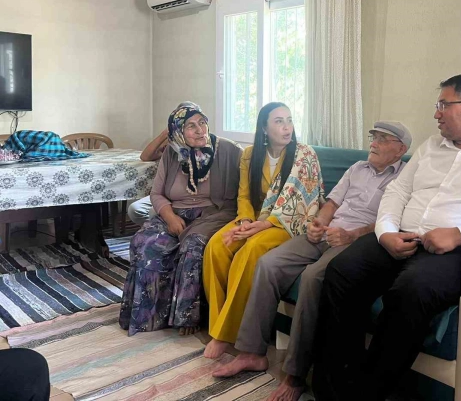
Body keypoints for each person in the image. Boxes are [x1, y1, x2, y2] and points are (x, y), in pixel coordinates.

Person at [312, 74, 461, 401]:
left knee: (411, 290)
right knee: (341, 272)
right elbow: (397, 191)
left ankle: (368, 393)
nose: (436, 114)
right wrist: (386, 232)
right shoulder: (431, 146)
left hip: (455, 252)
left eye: (442, 105)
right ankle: (332, 389)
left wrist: (459, 235)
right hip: (399, 237)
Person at [213, 121, 413, 401]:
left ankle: (294, 374)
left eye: (382, 139)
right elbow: (332, 203)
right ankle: (251, 353)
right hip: (327, 232)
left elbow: (391, 222)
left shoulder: (405, 178)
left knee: (313, 277)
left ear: (400, 149)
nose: (373, 144)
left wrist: (351, 235)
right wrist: (318, 223)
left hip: (355, 242)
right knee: (269, 264)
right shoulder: (358, 168)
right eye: (373, 137)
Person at [203, 102, 325, 359]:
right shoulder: (249, 155)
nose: (287, 127)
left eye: (289, 120)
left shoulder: (304, 155)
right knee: (217, 245)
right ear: (264, 128)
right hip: (255, 218)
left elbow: (302, 203)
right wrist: (246, 222)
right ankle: (218, 322)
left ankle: (224, 334)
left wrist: (267, 223)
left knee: (253, 247)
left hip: (288, 223)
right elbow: (244, 195)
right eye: (279, 121)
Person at [119, 102, 242, 336]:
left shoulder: (228, 150)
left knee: (192, 245)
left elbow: (242, 193)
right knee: (143, 242)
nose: (200, 130)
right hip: (175, 212)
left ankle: (187, 315)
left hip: (214, 214)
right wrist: (170, 217)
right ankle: (151, 314)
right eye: (191, 126)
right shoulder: (172, 152)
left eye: (202, 123)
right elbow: (157, 194)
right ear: (178, 131)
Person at [127, 128, 169, 226]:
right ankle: (158, 228)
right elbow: (145, 157)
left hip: (182, 196)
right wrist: (163, 135)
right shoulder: (170, 145)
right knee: (134, 209)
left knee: (153, 212)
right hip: (164, 194)